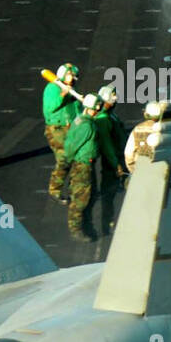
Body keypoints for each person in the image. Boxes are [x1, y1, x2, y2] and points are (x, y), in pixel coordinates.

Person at [63, 92, 102, 242]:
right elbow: (73, 145)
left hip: (82, 164)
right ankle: (76, 229)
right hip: (83, 165)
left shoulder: (79, 119)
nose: (97, 111)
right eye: (96, 108)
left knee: (85, 195)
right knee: (81, 199)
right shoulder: (86, 125)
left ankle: (82, 225)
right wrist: (70, 161)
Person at [43, 62, 81, 202]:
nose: (74, 78)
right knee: (64, 158)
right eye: (71, 75)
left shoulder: (71, 90)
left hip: (71, 128)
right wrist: (62, 95)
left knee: (76, 158)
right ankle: (55, 189)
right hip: (57, 129)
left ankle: (74, 189)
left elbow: (77, 109)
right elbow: (50, 107)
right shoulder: (52, 88)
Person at [93, 84, 127, 232]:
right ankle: (107, 224)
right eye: (113, 97)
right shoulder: (103, 119)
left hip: (121, 157)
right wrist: (116, 164)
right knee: (109, 193)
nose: (116, 99)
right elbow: (107, 145)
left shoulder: (111, 115)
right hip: (113, 162)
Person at [124, 100, 164, 171]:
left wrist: (132, 169)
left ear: (146, 114)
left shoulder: (137, 129)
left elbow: (128, 153)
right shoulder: (164, 128)